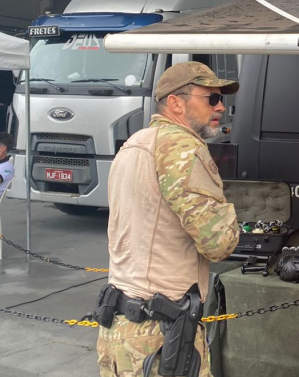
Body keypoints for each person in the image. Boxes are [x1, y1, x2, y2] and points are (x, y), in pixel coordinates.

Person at [96, 62, 241, 377]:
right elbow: (219, 244)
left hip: (121, 327)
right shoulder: (182, 147)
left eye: (221, 99)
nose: (221, 107)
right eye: (211, 98)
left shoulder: (134, 144)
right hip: (160, 335)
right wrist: (231, 211)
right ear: (176, 102)